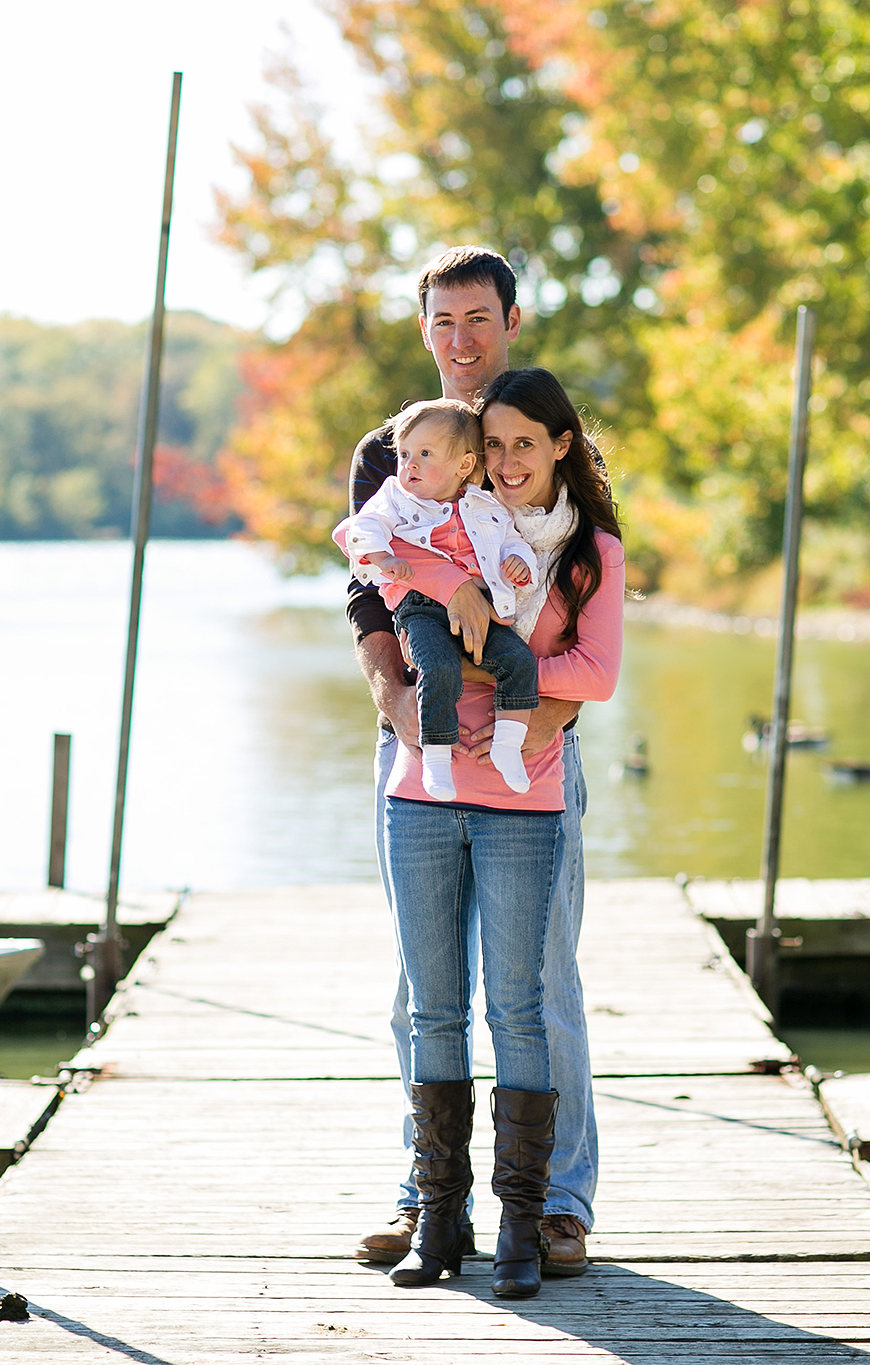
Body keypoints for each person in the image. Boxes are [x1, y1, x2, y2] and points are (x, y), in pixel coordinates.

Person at [346, 247, 601, 1279]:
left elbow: (587, 579)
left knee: (541, 982)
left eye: (478, 319)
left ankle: (556, 1204)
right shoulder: (389, 448)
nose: (461, 339)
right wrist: (390, 694)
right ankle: (423, 1194)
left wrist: (561, 708)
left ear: (509, 321)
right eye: (442, 320)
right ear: (423, 331)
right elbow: (366, 588)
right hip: (420, 743)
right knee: (420, 985)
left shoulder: (529, 434)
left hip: (532, 746)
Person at [334, 399, 540, 798]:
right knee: (439, 666)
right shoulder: (394, 497)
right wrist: (383, 556)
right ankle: (437, 758)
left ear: (463, 466)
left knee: (519, 661)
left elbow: (509, 540)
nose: (409, 464)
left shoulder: (484, 505)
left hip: (482, 606)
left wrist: (518, 560)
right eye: (405, 454)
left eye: (424, 455)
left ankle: (508, 747)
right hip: (421, 609)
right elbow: (357, 530)